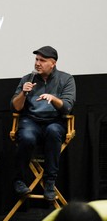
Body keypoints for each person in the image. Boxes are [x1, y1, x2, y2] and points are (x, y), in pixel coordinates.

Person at [11, 46, 76, 200]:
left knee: (54, 132)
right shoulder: (28, 79)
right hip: (31, 120)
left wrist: (53, 99)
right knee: (26, 137)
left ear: (52, 63)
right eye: (36, 60)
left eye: (42, 60)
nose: (37, 63)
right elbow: (16, 107)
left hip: (54, 121)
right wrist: (23, 93)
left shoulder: (66, 79)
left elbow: (67, 107)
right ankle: (19, 181)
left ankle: (49, 182)